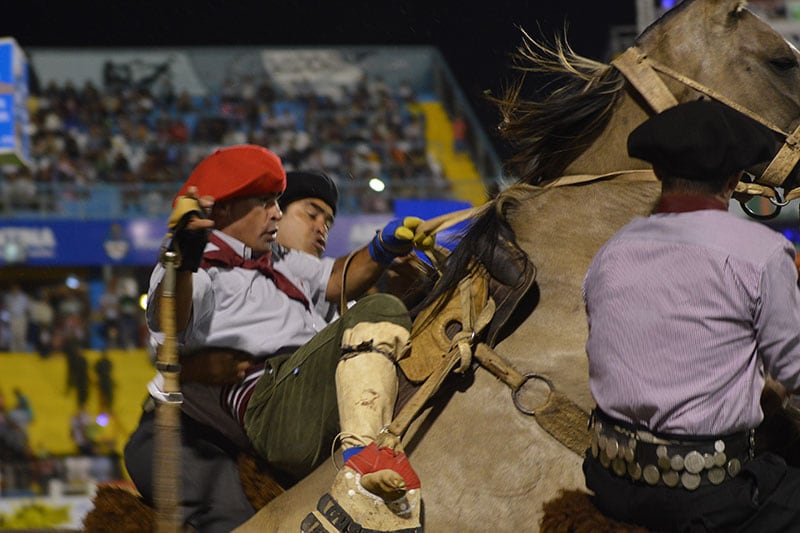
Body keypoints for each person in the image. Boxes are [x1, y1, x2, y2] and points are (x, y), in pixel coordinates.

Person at [124, 145, 430, 532]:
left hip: (277, 405)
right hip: (204, 427)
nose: (277, 212)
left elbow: (338, 279)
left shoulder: (283, 261)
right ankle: (364, 456)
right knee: (233, 521)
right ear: (226, 208)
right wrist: (183, 261)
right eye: (267, 202)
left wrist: (383, 246)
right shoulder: (198, 265)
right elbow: (171, 321)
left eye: (278, 202)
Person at [582, 99, 800, 531]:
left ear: (659, 174)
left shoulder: (612, 251)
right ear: (736, 180)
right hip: (707, 497)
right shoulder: (762, 253)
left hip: (610, 481)